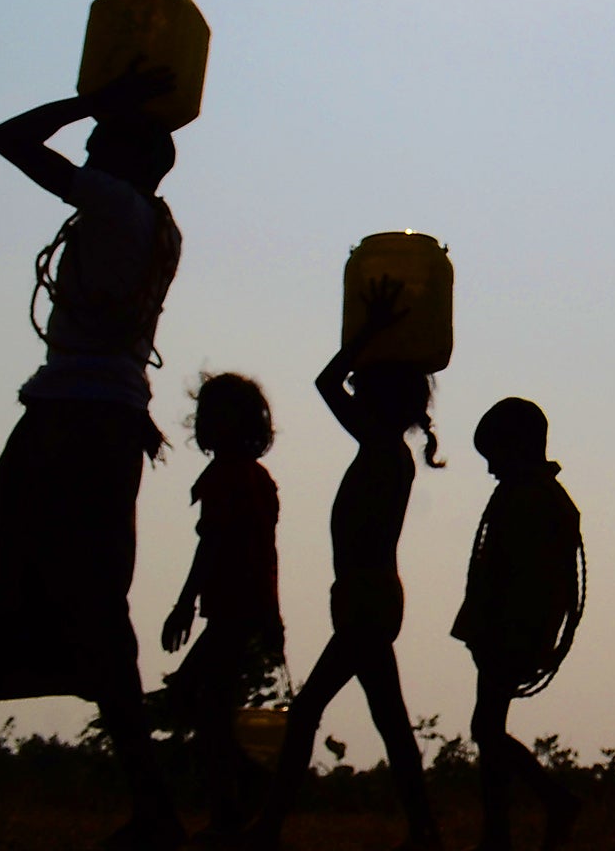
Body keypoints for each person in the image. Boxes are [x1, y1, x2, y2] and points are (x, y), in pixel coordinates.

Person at [0, 65, 186, 850]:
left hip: (70, 426)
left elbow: (8, 139)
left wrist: (89, 99)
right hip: (98, 423)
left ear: (122, 157)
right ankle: (153, 809)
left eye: (99, 139)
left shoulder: (112, 204)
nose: (87, 145)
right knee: (87, 614)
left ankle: (153, 811)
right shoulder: (158, 221)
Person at [251, 284, 443, 851]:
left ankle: (268, 829)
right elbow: (334, 385)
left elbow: (325, 382)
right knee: (388, 719)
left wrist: (369, 330)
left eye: (367, 387)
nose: (355, 390)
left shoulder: (382, 448)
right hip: (368, 599)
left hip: (367, 601)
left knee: (309, 710)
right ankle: (423, 830)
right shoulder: (386, 451)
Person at [453, 398, 586, 851]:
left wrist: (501, 632)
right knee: (487, 730)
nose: (490, 468)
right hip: (511, 632)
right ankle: (503, 833)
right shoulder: (542, 497)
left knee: (486, 730)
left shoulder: (530, 499)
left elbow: (519, 577)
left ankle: (543, 807)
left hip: (509, 633)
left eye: (494, 456)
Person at [160, 373, 285, 842]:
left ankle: (234, 799)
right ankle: (230, 802)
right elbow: (265, 550)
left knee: (196, 699)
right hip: (244, 606)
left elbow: (215, 543)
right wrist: (272, 615)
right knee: (205, 702)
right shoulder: (255, 477)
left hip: (233, 606)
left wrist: (183, 604)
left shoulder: (228, 478)